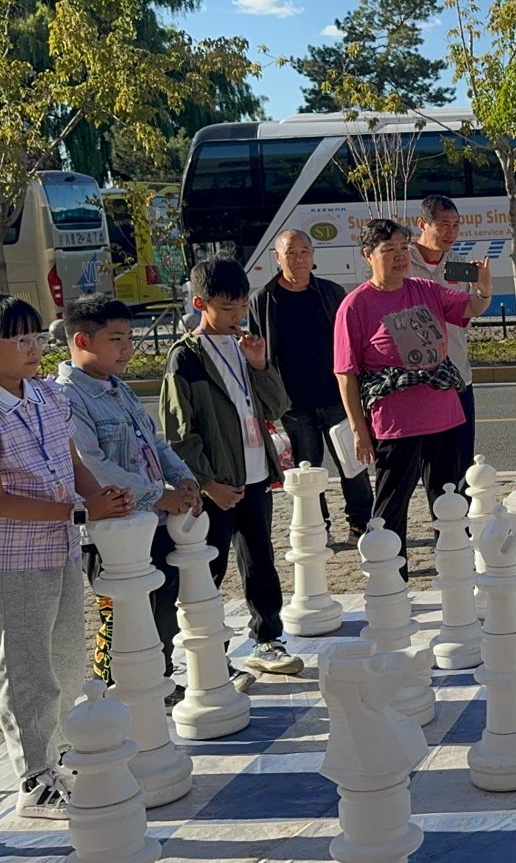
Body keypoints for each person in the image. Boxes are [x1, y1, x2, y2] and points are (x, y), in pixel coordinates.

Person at [0, 291, 133, 819]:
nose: (34, 348)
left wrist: (101, 499)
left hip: (60, 546)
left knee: (64, 661)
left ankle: (58, 758)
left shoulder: (48, 395)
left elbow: (72, 462)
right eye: (20, 340)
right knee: (23, 670)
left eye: (36, 337)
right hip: (11, 559)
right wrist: (81, 512)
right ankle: (34, 779)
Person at [160, 258, 303, 678]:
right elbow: (178, 432)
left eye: (242, 305)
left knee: (260, 561)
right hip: (217, 483)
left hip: (255, 475)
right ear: (200, 303)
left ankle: (267, 639)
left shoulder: (246, 346)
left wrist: (260, 365)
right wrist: (207, 483)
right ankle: (208, 653)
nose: (237, 315)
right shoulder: (185, 357)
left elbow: (278, 407)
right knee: (210, 567)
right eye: (226, 307)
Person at [55, 295, 202, 699]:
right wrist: (159, 495)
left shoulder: (119, 388)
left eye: (130, 338)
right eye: (116, 339)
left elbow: (155, 443)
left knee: (161, 607)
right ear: (82, 340)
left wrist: (184, 480)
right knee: (121, 617)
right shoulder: (66, 397)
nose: (127, 349)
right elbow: (93, 465)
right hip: (110, 531)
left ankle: (158, 682)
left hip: (153, 521)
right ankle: (112, 696)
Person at [334, 218, 493, 573]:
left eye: (403, 248)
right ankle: (391, 577)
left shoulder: (424, 288)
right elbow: (346, 373)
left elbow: (470, 308)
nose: (399, 256)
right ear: (368, 256)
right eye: (388, 250)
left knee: (448, 498)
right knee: (392, 503)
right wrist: (360, 431)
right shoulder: (356, 305)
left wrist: (483, 289)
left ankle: (455, 571)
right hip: (395, 423)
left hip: (444, 414)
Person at [249, 229, 373, 541]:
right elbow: (257, 355)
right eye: (291, 253)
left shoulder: (331, 293)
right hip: (292, 404)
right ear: (278, 258)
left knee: (353, 465)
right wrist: (266, 400)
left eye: (305, 252)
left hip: (337, 396)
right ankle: (319, 528)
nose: (299, 259)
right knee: (307, 471)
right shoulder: (263, 300)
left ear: (313, 255)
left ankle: (362, 523)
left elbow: (352, 342)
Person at [409, 195, 492, 479]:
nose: (451, 232)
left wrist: (483, 290)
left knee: (459, 462)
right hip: (413, 378)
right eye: (443, 224)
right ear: (422, 224)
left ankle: (459, 509)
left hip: (456, 373)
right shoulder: (401, 262)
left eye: (456, 225)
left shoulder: (459, 264)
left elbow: (466, 315)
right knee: (417, 463)